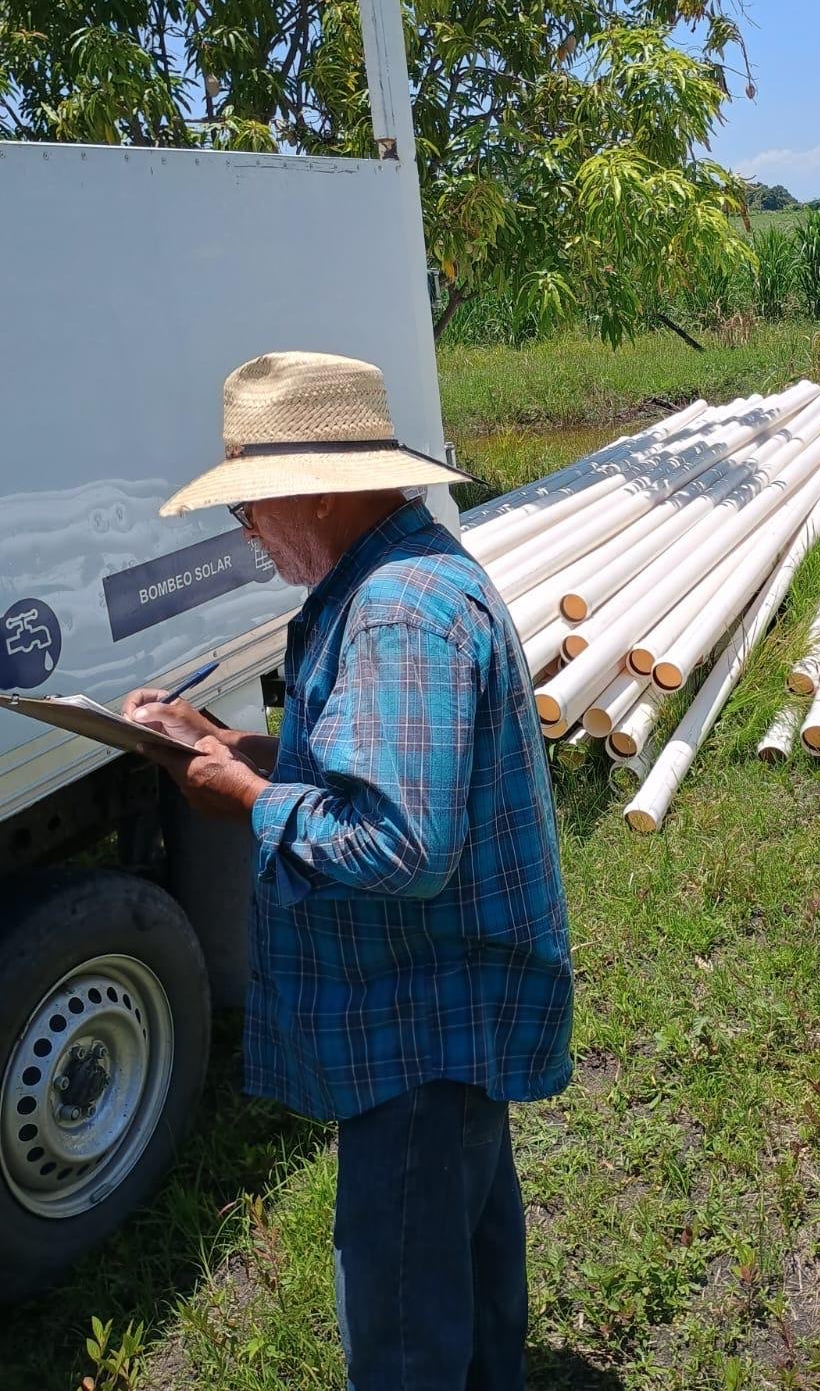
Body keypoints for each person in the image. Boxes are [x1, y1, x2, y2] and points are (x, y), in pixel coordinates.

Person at [126, 350, 572, 1391]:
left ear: (318, 490)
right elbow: (377, 770)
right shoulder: (399, 576)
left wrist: (236, 795)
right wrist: (234, 746)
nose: (247, 534)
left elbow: (400, 843)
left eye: (250, 510)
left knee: (403, 1308)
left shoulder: (395, 611)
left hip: (418, 1015)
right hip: (449, 998)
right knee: (465, 1244)